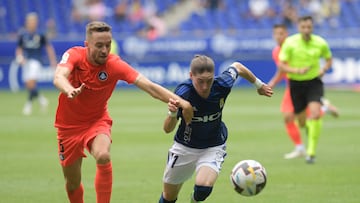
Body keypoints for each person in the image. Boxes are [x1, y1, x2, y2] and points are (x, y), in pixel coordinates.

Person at [53, 21, 193, 203]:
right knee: (72, 182)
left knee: (103, 155)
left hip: (97, 121)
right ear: (87, 45)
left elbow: (149, 86)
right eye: (99, 45)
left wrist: (182, 102)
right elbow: (59, 76)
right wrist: (69, 89)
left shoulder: (114, 64)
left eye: (108, 45)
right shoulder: (74, 55)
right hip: (68, 127)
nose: (105, 50)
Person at [158, 55, 273, 203]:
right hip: (184, 147)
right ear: (191, 76)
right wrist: (172, 113)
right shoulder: (183, 93)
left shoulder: (222, 84)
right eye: (200, 81)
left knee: (203, 188)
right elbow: (167, 129)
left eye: (209, 81)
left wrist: (259, 85)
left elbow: (238, 67)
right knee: (168, 198)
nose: (205, 87)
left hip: (213, 145)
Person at [269, 23, 339, 159]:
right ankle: (323, 107)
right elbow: (282, 70)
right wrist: (273, 83)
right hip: (293, 86)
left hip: (304, 85)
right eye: (276, 34)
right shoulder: (277, 51)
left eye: (281, 33)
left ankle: (301, 148)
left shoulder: (295, 46)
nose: (278, 37)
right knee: (300, 121)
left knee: (290, 117)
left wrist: (272, 83)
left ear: (286, 34)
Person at [15, 12, 57, 115]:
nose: (32, 23)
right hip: (26, 61)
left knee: (31, 82)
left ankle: (28, 105)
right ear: (27, 22)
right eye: (30, 21)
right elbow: (19, 48)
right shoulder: (23, 35)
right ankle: (42, 100)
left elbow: (48, 48)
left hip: (36, 61)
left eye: (33, 21)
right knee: (28, 84)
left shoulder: (41, 35)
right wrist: (19, 57)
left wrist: (53, 60)